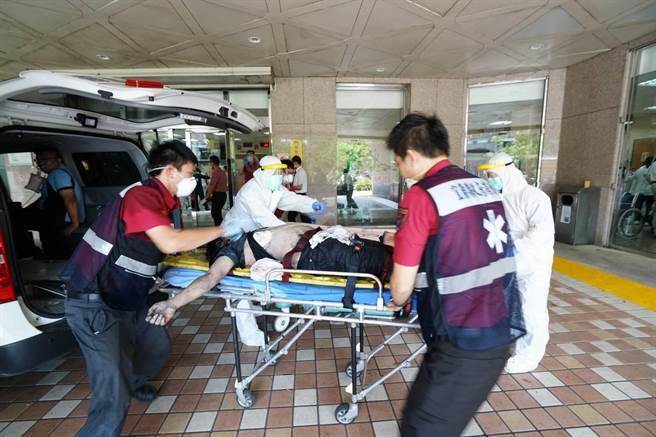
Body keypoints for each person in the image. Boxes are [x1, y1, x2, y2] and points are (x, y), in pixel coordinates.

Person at [61, 140, 241, 437]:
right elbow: (168, 241)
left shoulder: (162, 202)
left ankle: (133, 382)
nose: (192, 181)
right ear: (170, 171)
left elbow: (154, 245)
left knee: (156, 345)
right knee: (112, 391)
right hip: (94, 301)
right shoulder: (141, 196)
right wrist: (224, 229)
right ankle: (113, 405)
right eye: (189, 174)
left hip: (127, 295)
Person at [385, 113, 525, 437]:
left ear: (411, 156)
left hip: (463, 335)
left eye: (398, 161)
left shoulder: (422, 196)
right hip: (497, 323)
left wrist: (396, 299)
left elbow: (401, 288)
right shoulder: (482, 187)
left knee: (421, 428)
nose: (399, 168)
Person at [145, 224, 393, 324]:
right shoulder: (230, 253)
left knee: (394, 253)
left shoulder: (247, 232)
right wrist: (172, 304)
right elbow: (210, 279)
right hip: (321, 254)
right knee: (391, 265)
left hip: (332, 241)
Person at [480, 151, 554, 374]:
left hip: (533, 264)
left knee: (531, 309)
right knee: (505, 305)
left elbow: (542, 232)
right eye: (489, 176)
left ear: (507, 173)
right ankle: (507, 343)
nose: (491, 179)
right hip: (506, 261)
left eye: (493, 175)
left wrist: (515, 246)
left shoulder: (534, 197)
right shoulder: (497, 198)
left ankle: (529, 356)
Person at [221, 155, 326, 234]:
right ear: (266, 173)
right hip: (235, 234)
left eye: (280, 173)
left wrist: (311, 204)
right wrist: (292, 230)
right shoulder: (250, 191)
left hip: (254, 232)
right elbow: (264, 218)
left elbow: (291, 199)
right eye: (277, 173)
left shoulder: (274, 187)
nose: (280, 176)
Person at [29, 147, 86, 258]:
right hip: (58, 221)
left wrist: (74, 224)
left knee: (57, 256)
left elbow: (70, 200)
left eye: (46, 159)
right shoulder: (56, 174)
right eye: (39, 159)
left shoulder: (58, 174)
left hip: (63, 223)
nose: (41, 162)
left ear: (59, 160)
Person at [287, 155, 312, 223]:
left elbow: (300, 187)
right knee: (303, 217)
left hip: (300, 195)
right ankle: (308, 227)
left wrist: (290, 188)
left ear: (295, 163)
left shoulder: (301, 172)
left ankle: (307, 227)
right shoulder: (298, 171)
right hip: (299, 195)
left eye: (292, 164)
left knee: (291, 216)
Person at [206, 155, 228, 225]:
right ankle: (221, 228)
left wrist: (208, 195)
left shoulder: (216, 172)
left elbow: (212, 185)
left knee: (215, 214)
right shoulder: (222, 172)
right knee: (218, 213)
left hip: (218, 195)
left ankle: (219, 229)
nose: (209, 164)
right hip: (223, 195)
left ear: (212, 163)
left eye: (209, 162)